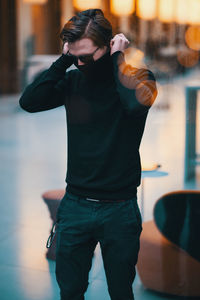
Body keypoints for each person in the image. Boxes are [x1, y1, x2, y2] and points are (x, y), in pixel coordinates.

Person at [19, 8, 157, 300]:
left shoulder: (141, 78)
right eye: (74, 56)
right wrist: (65, 59)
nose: (80, 63)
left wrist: (119, 60)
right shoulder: (73, 81)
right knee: (70, 291)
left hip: (120, 209)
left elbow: (133, 107)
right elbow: (29, 102)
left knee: (120, 291)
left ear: (109, 45)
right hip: (76, 206)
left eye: (86, 55)